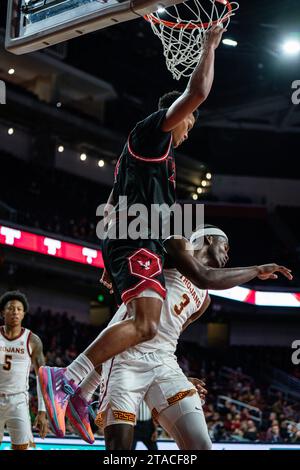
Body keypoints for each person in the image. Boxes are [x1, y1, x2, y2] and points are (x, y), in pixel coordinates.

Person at [38, 22, 292, 438]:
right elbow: (198, 93)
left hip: (134, 241)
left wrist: (112, 257)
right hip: (132, 240)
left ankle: (80, 388)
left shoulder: (163, 169)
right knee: (145, 324)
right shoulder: (151, 135)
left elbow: (130, 205)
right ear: (178, 115)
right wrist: (210, 44)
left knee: (149, 325)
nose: (189, 129)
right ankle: (69, 378)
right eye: (190, 122)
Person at [61, 226, 291, 449]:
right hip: (126, 357)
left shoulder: (204, 300)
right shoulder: (179, 245)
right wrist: (258, 270)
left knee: (200, 445)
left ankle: (82, 394)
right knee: (120, 447)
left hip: (164, 362)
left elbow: (171, 336)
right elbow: (206, 276)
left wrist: (183, 377)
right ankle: (79, 391)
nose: (227, 254)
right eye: (226, 247)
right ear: (209, 239)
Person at [0, 291, 48, 450]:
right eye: (11, 308)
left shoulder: (33, 340)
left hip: (18, 401)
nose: (15, 312)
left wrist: (42, 411)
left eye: (19, 309)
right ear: (2, 313)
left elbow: (42, 377)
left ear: (23, 314)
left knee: (22, 448)